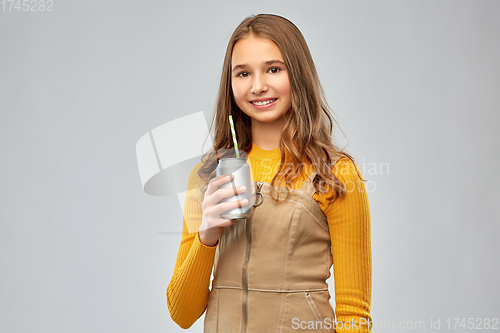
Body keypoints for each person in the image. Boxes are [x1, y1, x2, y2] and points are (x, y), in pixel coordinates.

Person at [167, 13, 372, 333]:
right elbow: (182, 313)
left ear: (298, 74)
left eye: (273, 69)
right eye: (243, 73)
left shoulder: (333, 174)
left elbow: (353, 314)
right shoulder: (207, 176)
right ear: (230, 83)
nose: (258, 85)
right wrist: (207, 235)